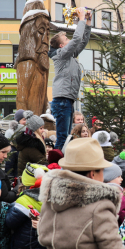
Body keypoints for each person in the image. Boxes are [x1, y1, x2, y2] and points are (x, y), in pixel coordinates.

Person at [48, 8, 92, 151]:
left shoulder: (70, 56)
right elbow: (77, 39)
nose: (69, 41)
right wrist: (80, 20)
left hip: (67, 100)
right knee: (62, 137)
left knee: (66, 137)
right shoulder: (61, 54)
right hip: (62, 100)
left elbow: (82, 41)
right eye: (66, 40)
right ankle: (55, 165)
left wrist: (88, 24)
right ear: (61, 46)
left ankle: (60, 163)